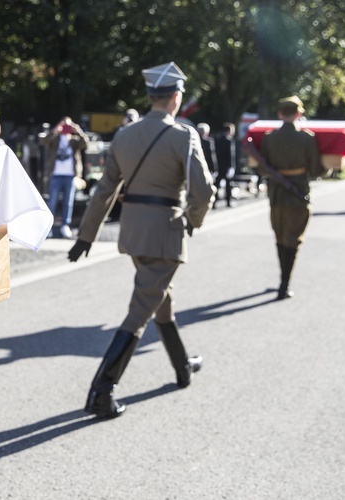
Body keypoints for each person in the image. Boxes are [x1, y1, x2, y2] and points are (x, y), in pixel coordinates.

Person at [68, 61, 215, 419]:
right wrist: (192, 221)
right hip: (165, 231)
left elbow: (105, 189)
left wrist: (86, 236)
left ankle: (182, 366)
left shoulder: (125, 134)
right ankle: (102, 390)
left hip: (133, 233)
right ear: (176, 97)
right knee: (139, 312)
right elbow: (204, 191)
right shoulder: (184, 135)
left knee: (160, 300)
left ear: (152, 96)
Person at [259, 95, 324, 300]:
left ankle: (282, 279)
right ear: (300, 114)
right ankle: (285, 283)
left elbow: (262, 167)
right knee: (293, 240)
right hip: (299, 194)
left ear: (279, 114)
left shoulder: (269, 138)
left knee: (279, 238)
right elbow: (315, 170)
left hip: (277, 194)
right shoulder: (307, 138)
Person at [42, 117, 89, 239]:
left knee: (68, 202)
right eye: (64, 126)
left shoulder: (74, 140)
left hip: (70, 175)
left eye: (68, 126)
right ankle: (49, 227)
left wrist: (78, 130)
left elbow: (86, 143)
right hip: (56, 174)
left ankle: (65, 225)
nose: (66, 128)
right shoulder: (56, 139)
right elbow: (45, 142)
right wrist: (55, 131)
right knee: (52, 202)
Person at [214, 122, 237, 207]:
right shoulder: (229, 141)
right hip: (227, 166)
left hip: (218, 166)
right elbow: (231, 155)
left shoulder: (217, 140)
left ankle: (214, 201)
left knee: (217, 184)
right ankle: (228, 201)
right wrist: (231, 166)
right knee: (228, 185)